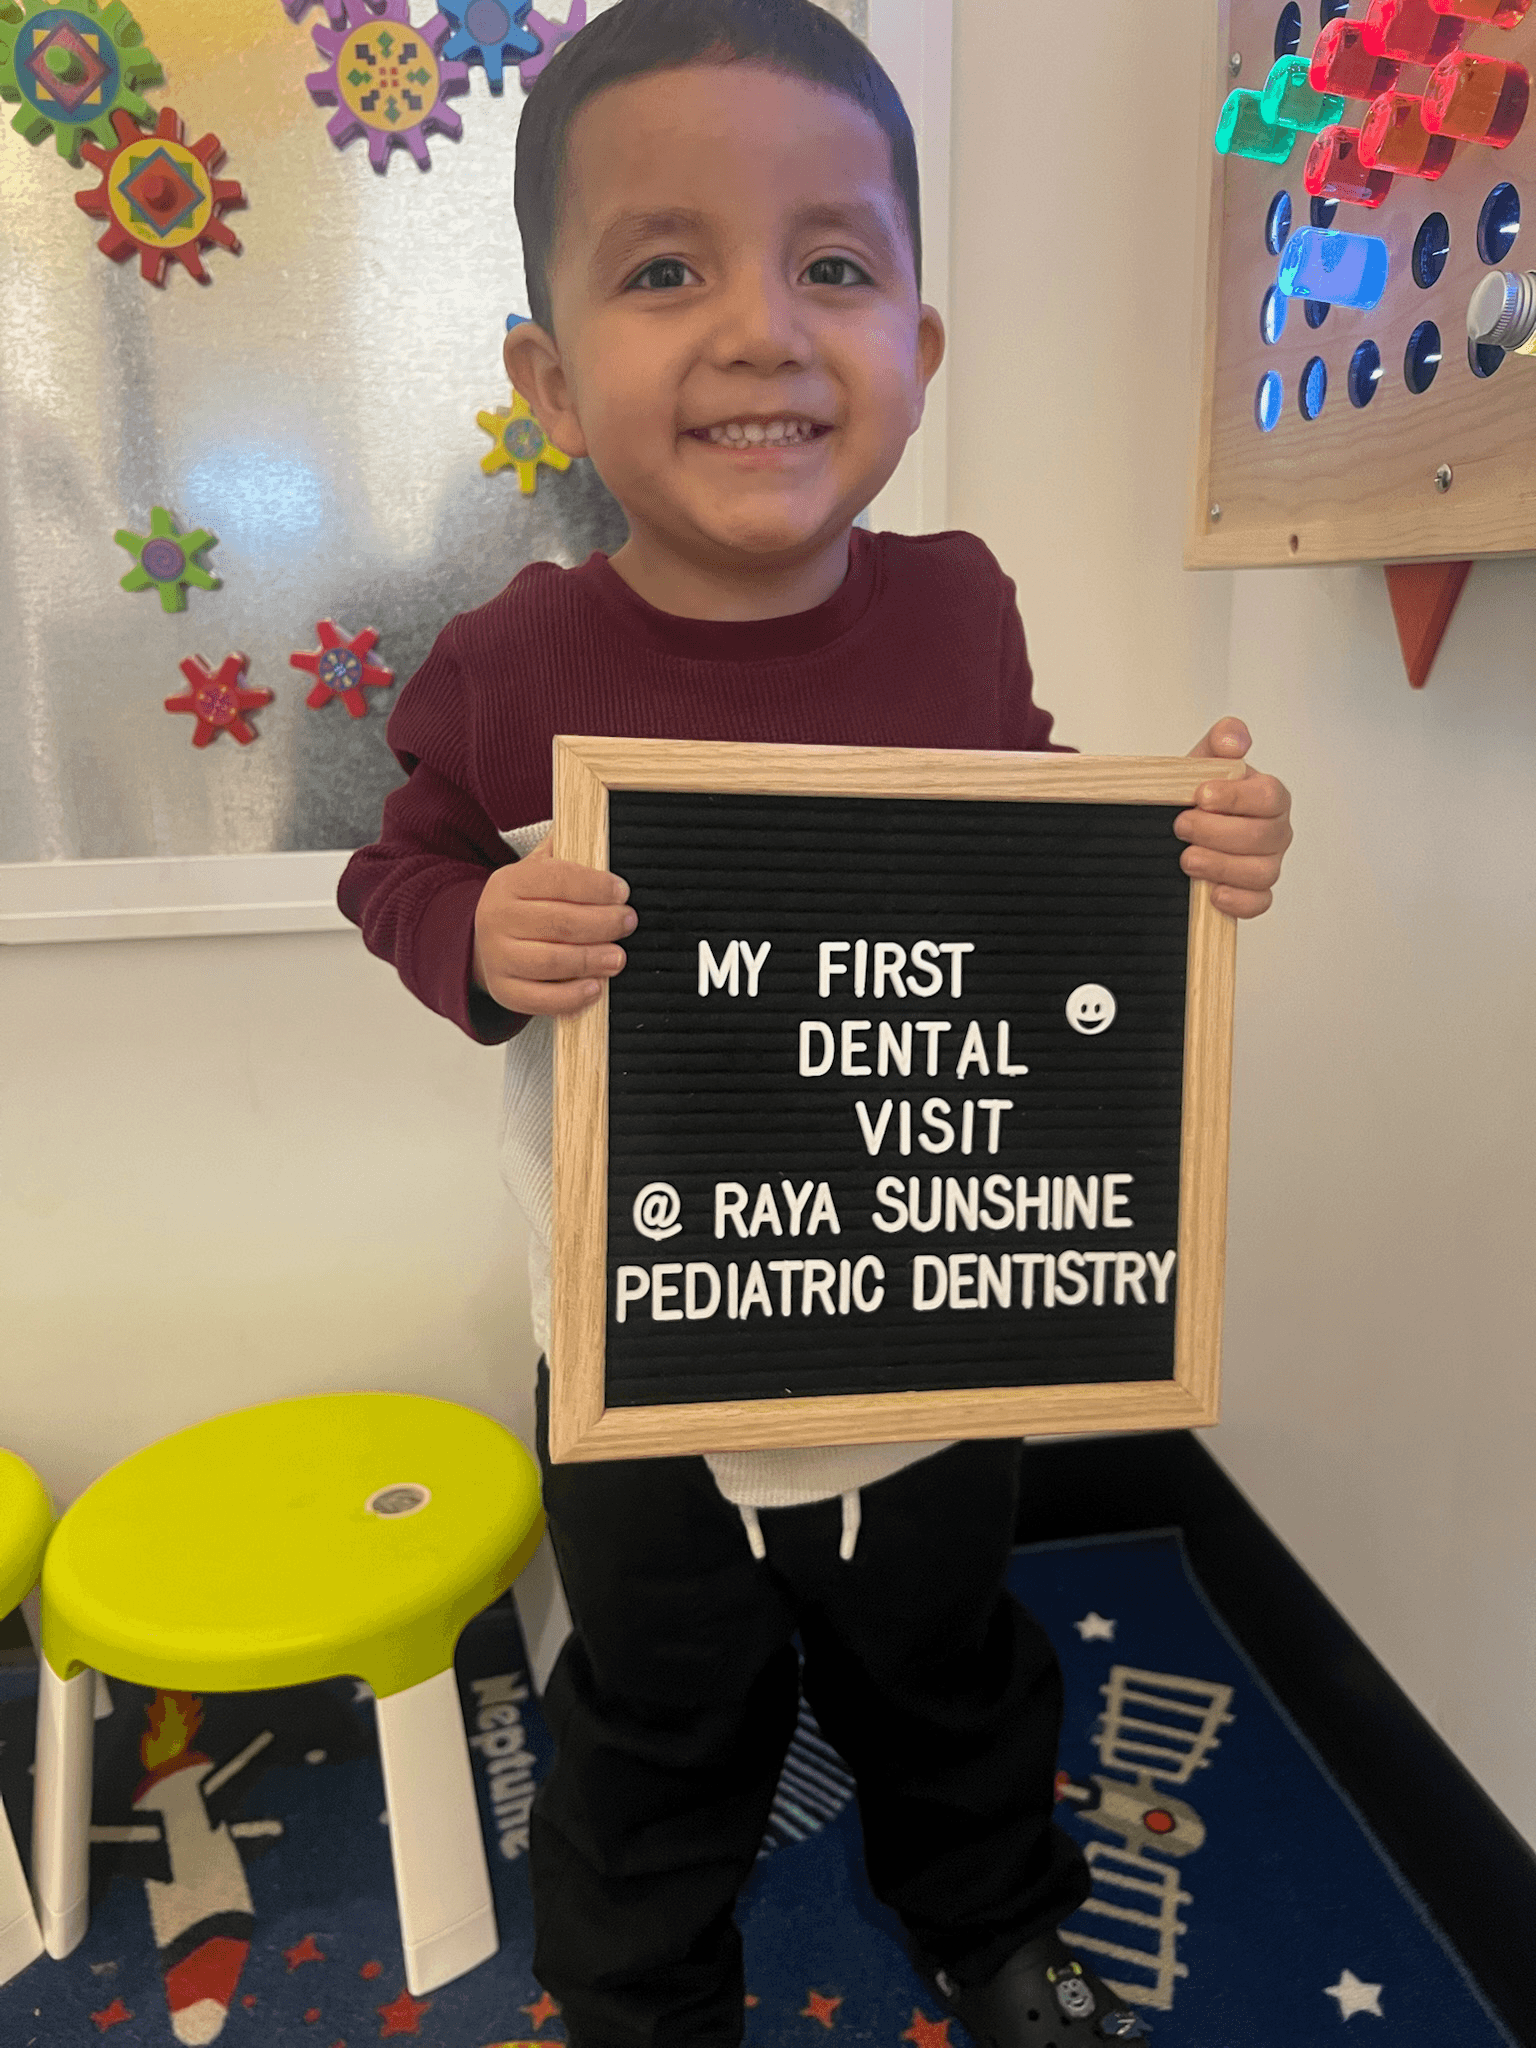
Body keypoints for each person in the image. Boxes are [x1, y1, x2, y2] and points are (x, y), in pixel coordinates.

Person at [338, 2, 1293, 2041]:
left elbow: (1024, 864)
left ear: (920, 351)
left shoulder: (960, 613)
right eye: (665, 268)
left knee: (951, 1665)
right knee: (659, 1709)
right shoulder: (510, 666)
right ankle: (637, 1991)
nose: (762, 328)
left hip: (933, 1331)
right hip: (643, 1351)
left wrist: (1185, 850)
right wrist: (484, 926)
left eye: (834, 266)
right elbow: (392, 869)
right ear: (547, 375)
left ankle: (999, 1917)